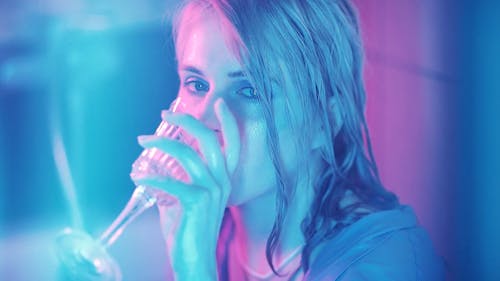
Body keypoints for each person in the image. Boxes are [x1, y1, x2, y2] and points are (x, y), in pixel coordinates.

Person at [133, 0, 445, 280]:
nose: (205, 120)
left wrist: (195, 273)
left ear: (325, 122)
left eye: (251, 91)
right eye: (197, 84)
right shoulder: (206, 228)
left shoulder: (387, 266)